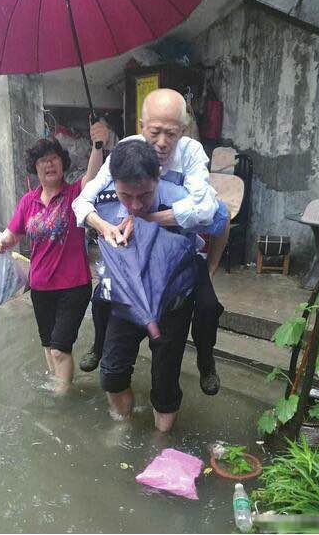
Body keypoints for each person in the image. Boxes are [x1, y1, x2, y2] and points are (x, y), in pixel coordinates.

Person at [72, 88, 229, 395]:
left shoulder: (191, 153)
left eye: (171, 133)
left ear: (183, 129)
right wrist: (104, 226)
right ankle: (98, 345)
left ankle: (206, 359)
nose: (162, 142)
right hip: (135, 251)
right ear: (142, 126)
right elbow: (83, 200)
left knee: (208, 306)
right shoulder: (127, 150)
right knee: (102, 295)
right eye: (155, 132)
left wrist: (147, 218)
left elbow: (208, 210)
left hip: (179, 250)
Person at [89, 140, 228, 432]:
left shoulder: (183, 199)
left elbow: (221, 217)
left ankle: (161, 443)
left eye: (145, 195)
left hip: (171, 306)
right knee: (112, 374)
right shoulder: (103, 200)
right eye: (126, 196)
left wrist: (211, 266)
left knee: (165, 386)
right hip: (125, 301)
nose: (135, 205)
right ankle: (123, 428)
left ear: (158, 178)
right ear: (114, 184)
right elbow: (80, 204)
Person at [0, 123, 108, 393]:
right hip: (40, 288)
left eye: (54, 158)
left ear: (62, 163)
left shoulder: (75, 194)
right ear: (36, 168)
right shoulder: (28, 202)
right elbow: (12, 235)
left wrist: (97, 146)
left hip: (73, 286)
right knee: (48, 346)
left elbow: (92, 176)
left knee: (59, 348)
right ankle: (61, 384)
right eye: (43, 160)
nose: (49, 164)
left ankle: (60, 399)